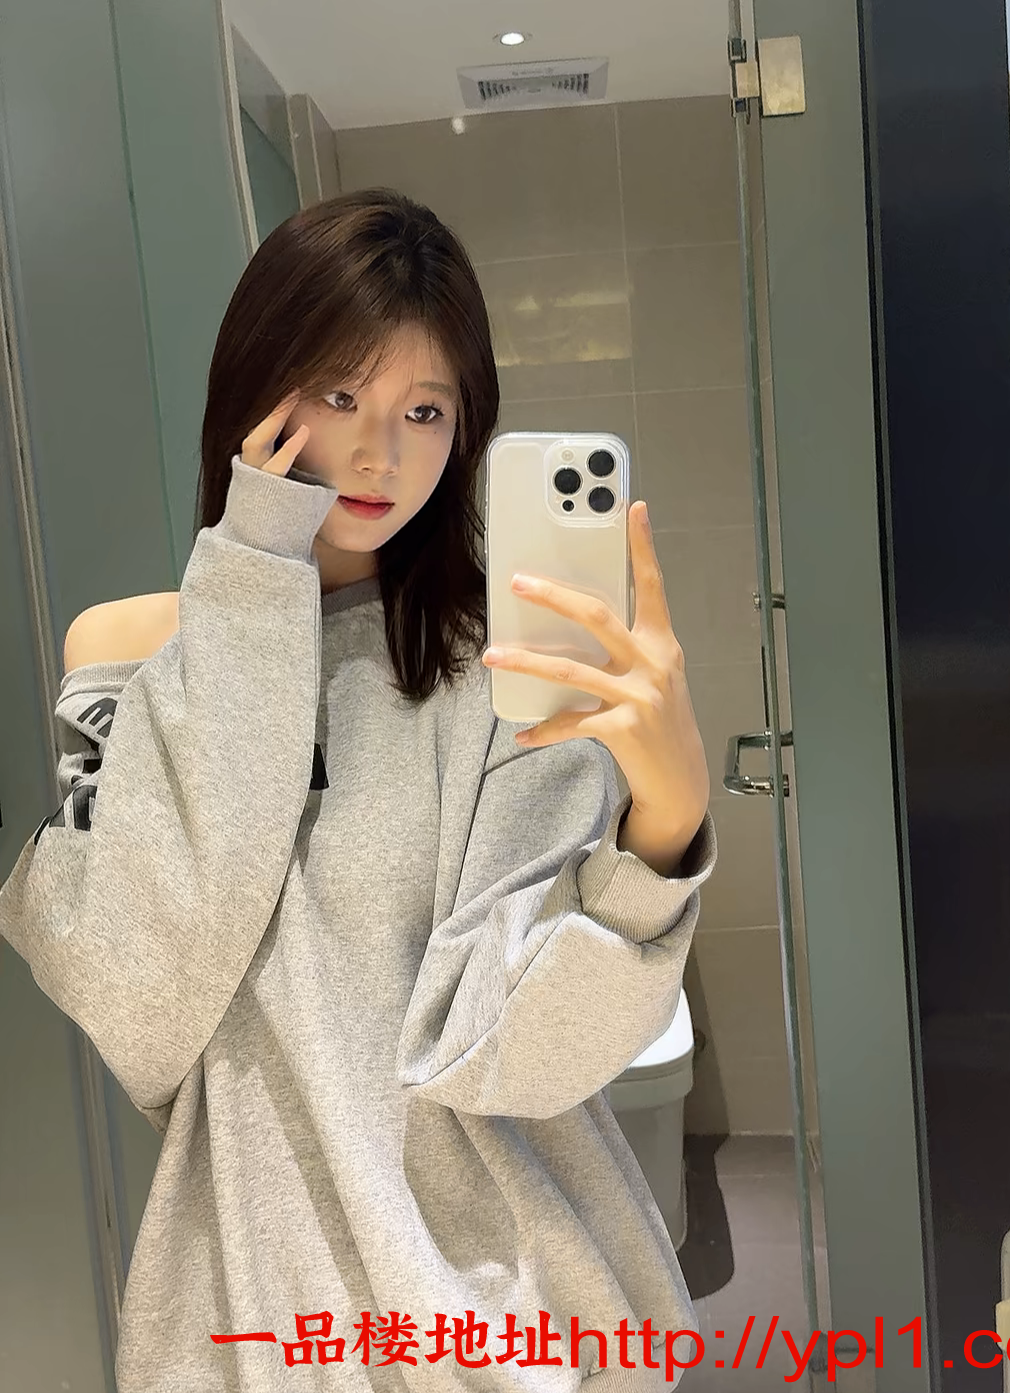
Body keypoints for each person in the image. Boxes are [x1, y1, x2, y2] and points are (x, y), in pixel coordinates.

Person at [0, 188, 716, 1393]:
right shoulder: (137, 658)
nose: (382, 452)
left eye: (425, 409)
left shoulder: (505, 671)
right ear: (257, 387)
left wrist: (662, 836)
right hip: (252, 1317)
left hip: (500, 1313)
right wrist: (254, 565)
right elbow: (144, 997)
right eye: (339, 395)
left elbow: (509, 1052)